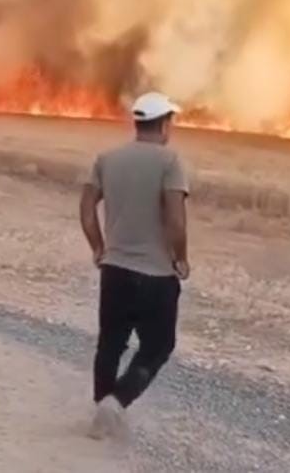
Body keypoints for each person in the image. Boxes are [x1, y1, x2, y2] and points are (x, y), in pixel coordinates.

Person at [79, 91, 189, 438]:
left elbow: (86, 208)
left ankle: (102, 409)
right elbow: (175, 220)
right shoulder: (170, 162)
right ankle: (117, 401)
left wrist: (98, 247)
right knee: (158, 347)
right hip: (156, 276)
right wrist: (181, 257)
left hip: (115, 271)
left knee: (110, 343)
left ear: (138, 123)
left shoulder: (107, 159)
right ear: (165, 124)